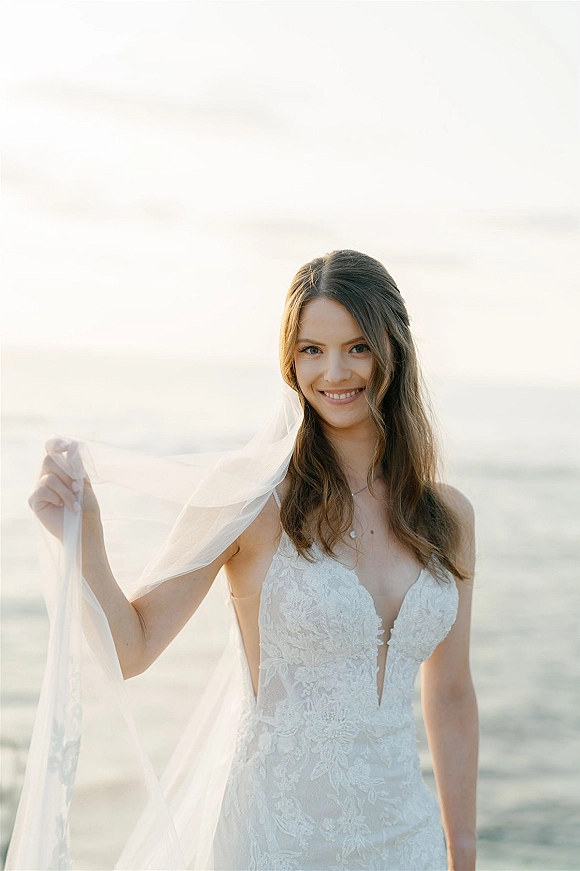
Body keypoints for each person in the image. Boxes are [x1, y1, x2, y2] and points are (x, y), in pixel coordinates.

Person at [19, 249, 477, 871]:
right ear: (290, 362)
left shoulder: (447, 516)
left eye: (357, 346)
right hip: (278, 841)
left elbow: (448, 694)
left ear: (395, 349)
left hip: (407, 839)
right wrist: (89, 542)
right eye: (311, 349)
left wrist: (462, 849)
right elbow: (133, 648)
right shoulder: (253, 500)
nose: (334, 371)